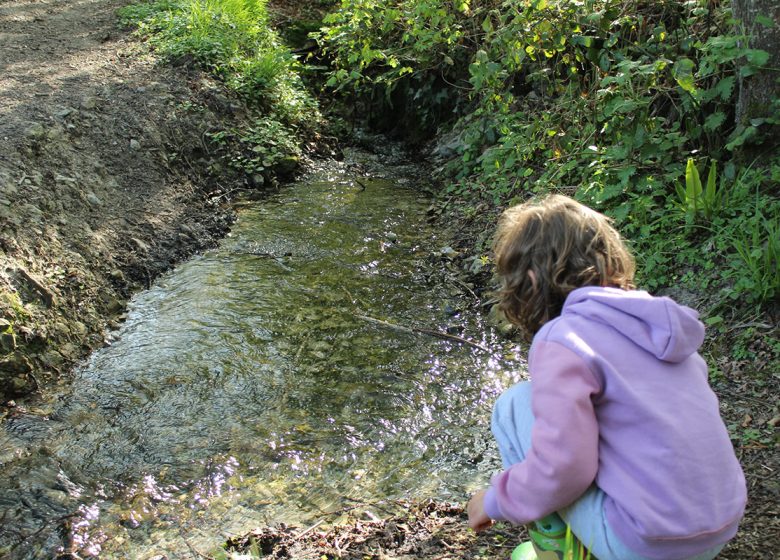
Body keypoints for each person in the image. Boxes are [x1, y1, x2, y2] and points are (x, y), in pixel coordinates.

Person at [467, 194, 746, 560]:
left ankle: (559, 552)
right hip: (717, 527)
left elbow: (566, 465)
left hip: (646, 543)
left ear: (530, 280)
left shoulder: (563, 338)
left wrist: (495, 500)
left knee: (514, 405)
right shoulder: (658, 324)